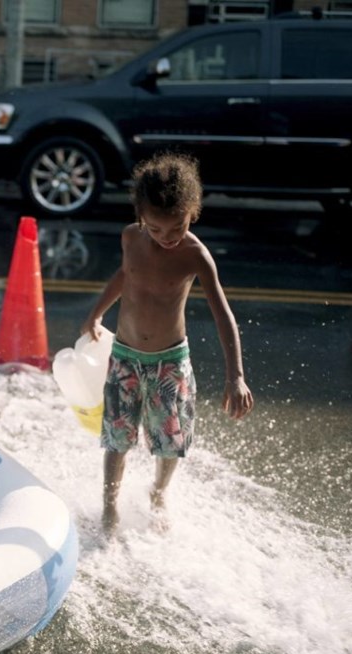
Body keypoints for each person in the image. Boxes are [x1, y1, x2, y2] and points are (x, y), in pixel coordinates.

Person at [79, 152, 254, 535]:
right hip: (124, 355)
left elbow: (223, 315)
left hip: (169, 363)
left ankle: (158, 491)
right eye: (156, 229)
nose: (166, 238)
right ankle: (110, 505)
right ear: (142, 217)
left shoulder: (196, 256)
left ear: (191, 212)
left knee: (169, 440)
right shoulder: (131, 237)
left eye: (175, 228)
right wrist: (96, 314)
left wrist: (235, 376)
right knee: (116, 437)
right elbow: (125, 275)